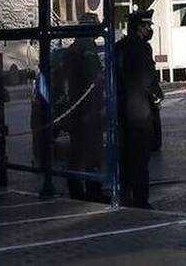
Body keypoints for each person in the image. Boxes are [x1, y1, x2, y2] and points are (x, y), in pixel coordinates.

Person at [116, 11, 163, 208]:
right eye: (146, 26)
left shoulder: (119, 47)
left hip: (122, 110)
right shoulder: (142, 48)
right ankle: (141, 199)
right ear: (139, 28)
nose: (149, 29)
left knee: (125, 155)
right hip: (140, 111)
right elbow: (147, 78)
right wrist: (157, 95)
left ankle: (124, 195)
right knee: (140, 158)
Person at [59, 33, 107, 202]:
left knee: (77, 151)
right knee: (92, 152)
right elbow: (96, 78)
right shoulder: (87, 49)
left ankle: (75, 188)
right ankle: (93, 190)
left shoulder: (73, 49)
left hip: (76, 109)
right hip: (88, 110)